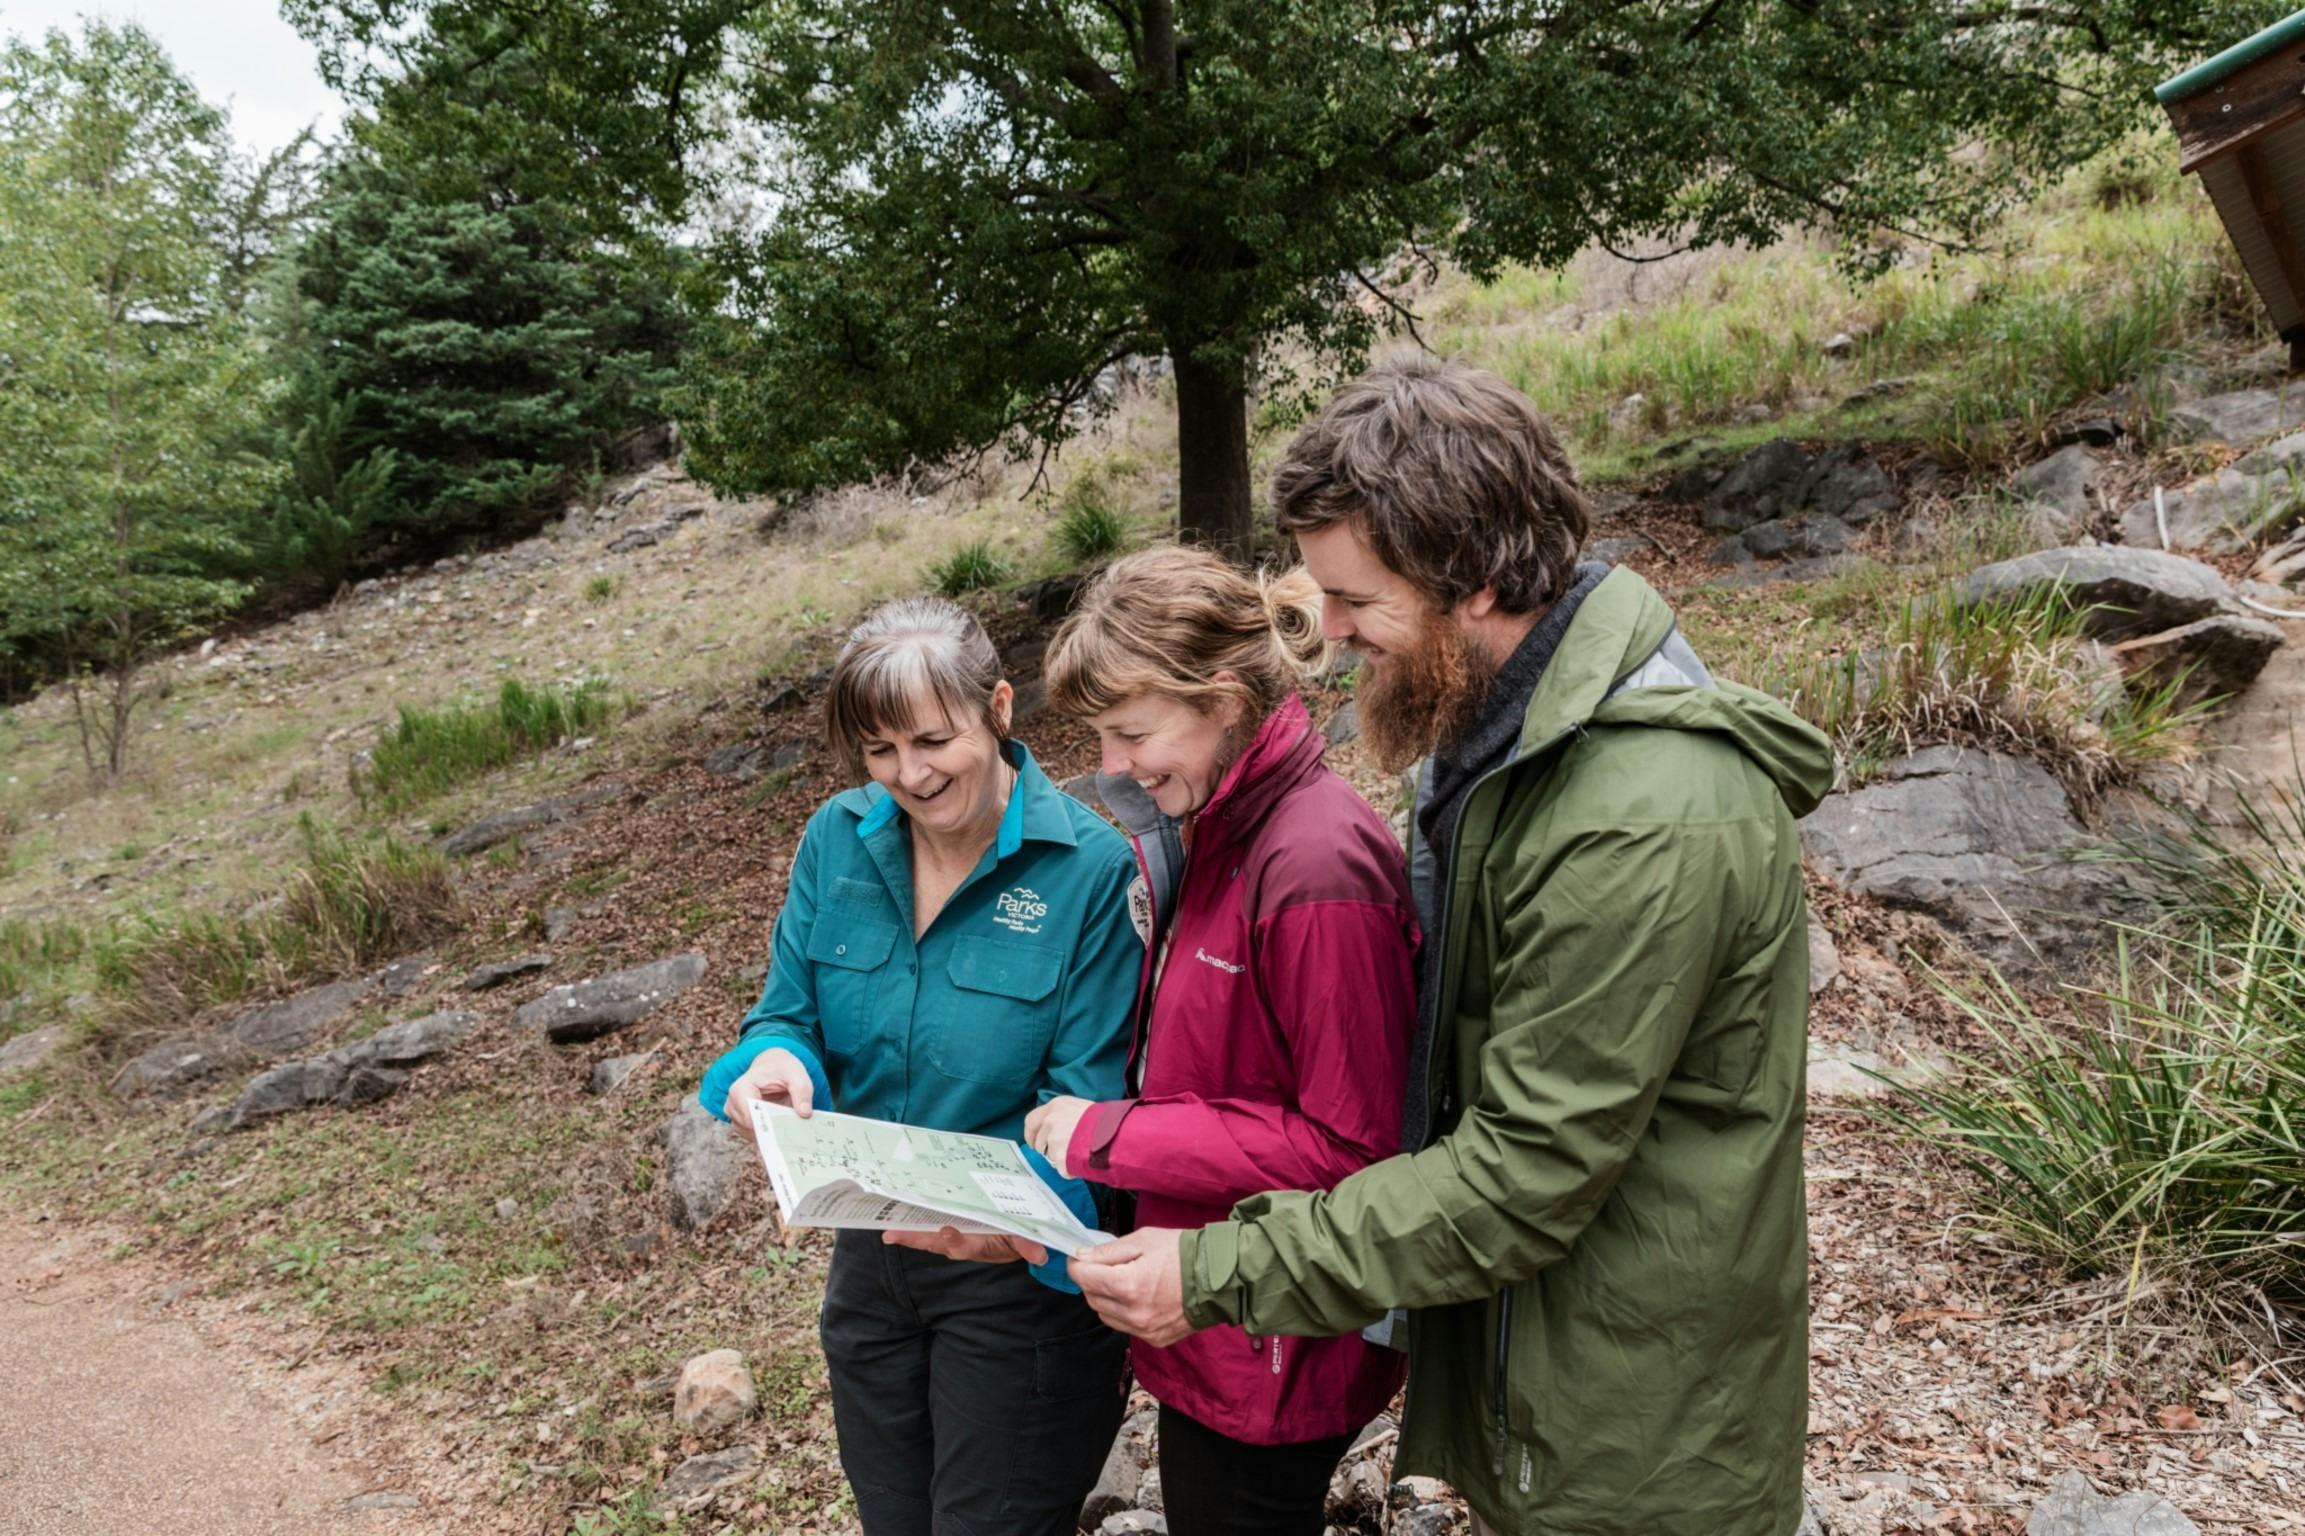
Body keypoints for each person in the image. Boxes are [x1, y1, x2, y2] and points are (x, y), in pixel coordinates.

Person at [1066, 357, 1837, 1536]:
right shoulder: (1513, 746)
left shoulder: (1632, 815)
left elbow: (1522, 1175)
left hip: (1640, 1423)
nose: (1322, 631)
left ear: (1473, 577)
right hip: (1564, 1366)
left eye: (1355, 600)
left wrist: (1216, 1271)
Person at [696, 596, 1141, 1536]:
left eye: (933, 740)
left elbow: (1092, 1101)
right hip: (870, 1267)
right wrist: (773, 1062)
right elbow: (786, 1011)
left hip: (1015, 1281)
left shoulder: (1093, 870)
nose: (911, 775)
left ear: (1001, 709)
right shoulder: (836, 838)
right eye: (880, 752)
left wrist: (1007, 1226)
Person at [1019, 546, 1419, 1536]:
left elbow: (1350, 1150)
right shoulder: (1209, 826)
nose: (1111, 766)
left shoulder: (1315, 861)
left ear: (1225, 697)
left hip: (1276, 1344)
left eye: (1132, 733)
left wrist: (1109, 1137)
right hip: (1216, 1309)